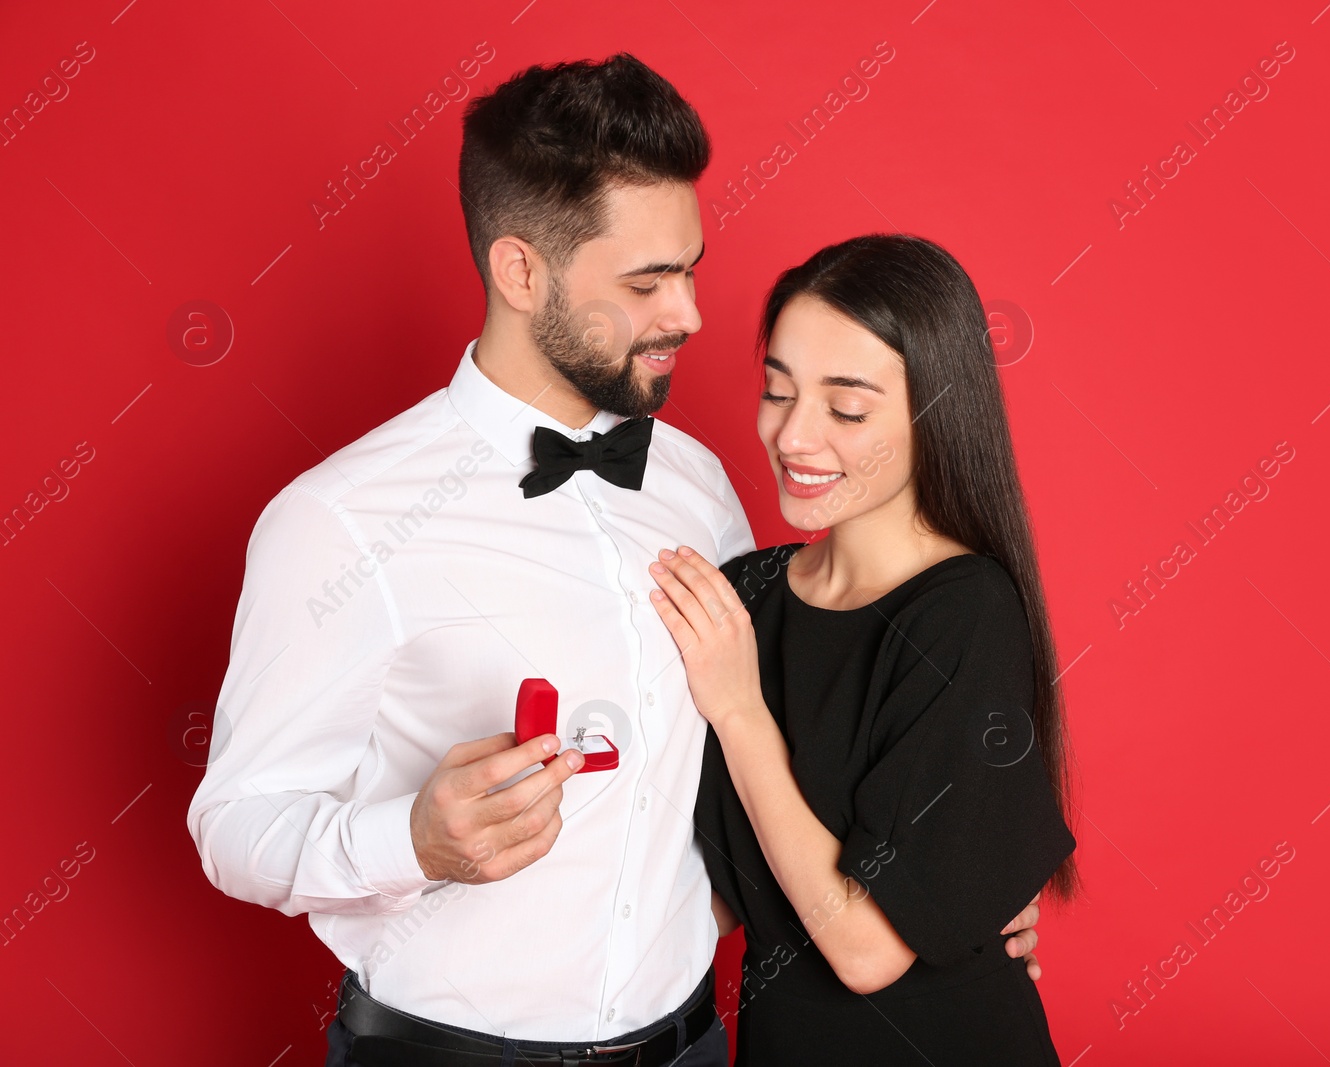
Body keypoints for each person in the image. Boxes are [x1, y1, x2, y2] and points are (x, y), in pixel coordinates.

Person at [186, 55, 1046, 1067]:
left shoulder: (702, 486)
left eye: (688, 267)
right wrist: (410, 842)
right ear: (520, 271)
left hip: (692, 1046)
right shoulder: (337, 520)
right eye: (646, 282)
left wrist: (954, 885)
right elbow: (238, 825)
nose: (687, 313)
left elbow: (816, 723)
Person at [647, 234, 1081, 1066]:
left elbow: (867, 950)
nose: (795, 436)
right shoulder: (748, 595)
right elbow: (713, 896)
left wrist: (740, 713)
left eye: (846, 409)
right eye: (778, 391)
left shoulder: (967, 611)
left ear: (936, 410)